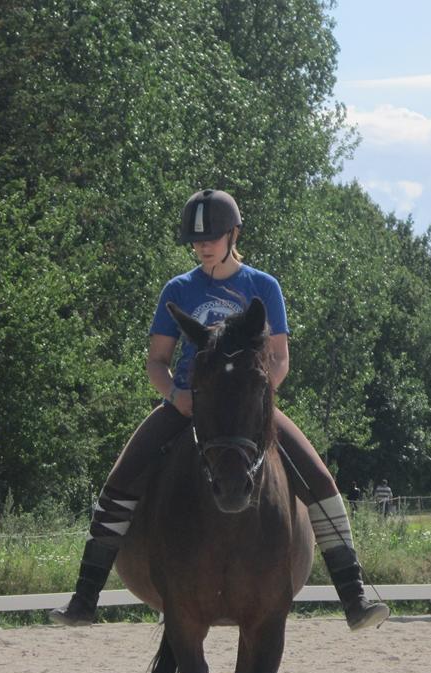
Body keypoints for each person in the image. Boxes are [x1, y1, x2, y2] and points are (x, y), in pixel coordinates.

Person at [51, 189, 390, 631]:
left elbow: (280, 357)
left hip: (250, 407)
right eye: (196, 241)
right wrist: (176, 395)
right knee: (120, 479)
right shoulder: (179, 289)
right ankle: (85, 597)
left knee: (320, 479)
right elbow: (157, 361)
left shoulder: (263, 286)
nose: (202, 246)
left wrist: (255, 395)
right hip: (189, 404)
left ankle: (353, 596)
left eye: (210, 237)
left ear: (232, 235)